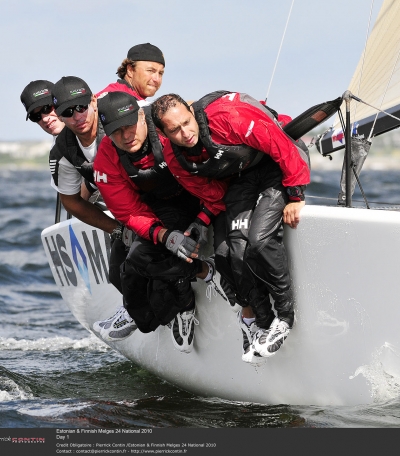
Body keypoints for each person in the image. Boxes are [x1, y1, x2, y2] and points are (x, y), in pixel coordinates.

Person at [152, 91, 309, 362]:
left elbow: (280, 146)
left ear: (191, 112)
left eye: (187, 122)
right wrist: (203, 220)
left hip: (280, 164)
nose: (185, 133)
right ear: (163, 133)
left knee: (258, 241)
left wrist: (295, 195)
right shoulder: (176, 157)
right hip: (244, 179)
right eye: (175, 130)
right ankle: (263, 322)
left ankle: (285, 319)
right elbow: (213, 194)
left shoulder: (229, 118)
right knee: (231, 252)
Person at [91, 91, 234, 352]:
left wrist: (203, 219)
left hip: (202, 196)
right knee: (125, 272)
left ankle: (184, 302)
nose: (126, 136)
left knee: (144, 260)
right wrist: (164, 236)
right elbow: (128, 211)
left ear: (143, 118)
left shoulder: (171, 127)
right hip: (159, 209)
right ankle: (199, 280)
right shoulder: (107, 158)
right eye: (116, 132)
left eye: (130, 126)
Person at [48, 76, 132, 293]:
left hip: (157, 194)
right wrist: (117, 231)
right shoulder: (62, 152)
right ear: (59, 116)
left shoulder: (122, 111)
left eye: (81, 107)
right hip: (124, 211)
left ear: (94, 102)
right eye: (68, 112)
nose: (77, 117)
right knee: (117, 274)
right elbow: (72, 202)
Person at [97, 43, 165, 100]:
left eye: (160, 73)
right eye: (150, 71)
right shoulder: (111, 98)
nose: (157, 79)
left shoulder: (140, 103)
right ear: (130, 70)